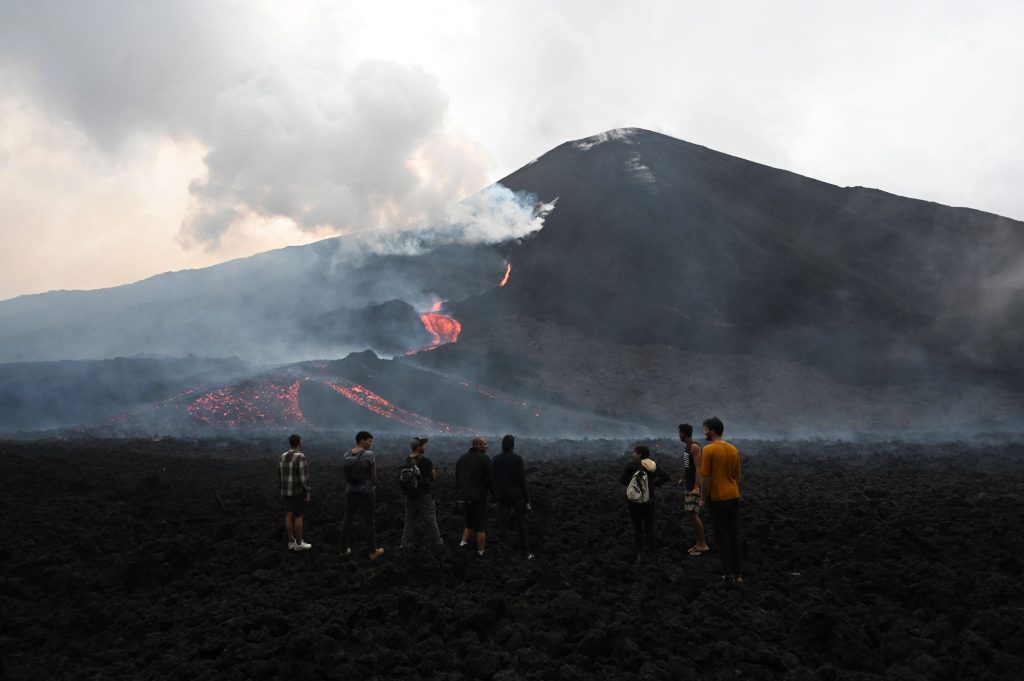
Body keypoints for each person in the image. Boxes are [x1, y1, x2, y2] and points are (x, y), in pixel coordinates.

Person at [699, 416, 743, 582]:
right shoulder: (733, 449)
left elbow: (705, 478)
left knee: (721, 536)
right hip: (733, 495)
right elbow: (737, 476)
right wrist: (734, 488)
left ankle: (728, 573)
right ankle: (738, 574)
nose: (704, 432)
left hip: (718, 498)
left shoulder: (709, 450)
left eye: (705, 429)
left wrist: (703, 498)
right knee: (734, 534)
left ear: (712, 430)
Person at [340, 431, 385, 561]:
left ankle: (343, 550)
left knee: (347, 519)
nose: (371, 444)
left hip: (350, 491)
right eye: (369, 441)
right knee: (369, 521)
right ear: (361, 440)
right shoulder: (369, 455)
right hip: (366, 492)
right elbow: (373, 475)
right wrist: (372, 485)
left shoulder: (347, 454)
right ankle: (372, 552)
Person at [619, 444, 670, 557]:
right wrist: (653, 485)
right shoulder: (652, 466)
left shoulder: (631, 466)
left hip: (634, 502)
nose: (633, 454)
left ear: (639, 454)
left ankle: (639, 552)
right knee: (649, 526)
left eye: (635, 452)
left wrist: (633, 486)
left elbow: (622, 480)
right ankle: (652, 552)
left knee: (637, 527)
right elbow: (666, 477)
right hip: (649, 500)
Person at [492, 434, 533, 559]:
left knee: (503, 523)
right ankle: (525, 552)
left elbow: (494, 479)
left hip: (502, 496)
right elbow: (522, 480)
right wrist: (527, 499)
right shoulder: (517, 459)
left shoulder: (496, 459)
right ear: (513, 445)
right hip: (517, 496)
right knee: (521, 523)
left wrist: (495, 496)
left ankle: (502, 551)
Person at [399, 437, 444, 549]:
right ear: (419, 447)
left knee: (409, 520)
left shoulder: (405, 460)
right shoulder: (425, 460)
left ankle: (405, 544)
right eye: (423, 445)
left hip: (409, 495)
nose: (425, 447)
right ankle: (437, 543)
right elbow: (433, 476)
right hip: (424, 494)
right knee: (430, 519)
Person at [455, 436, 494, 556]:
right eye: (484, 444)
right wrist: (494, 495)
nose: (487, 446)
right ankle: (481, 552)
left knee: (469, 522)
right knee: (480, 526)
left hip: (465, 496)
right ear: (477, 445)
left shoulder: (462, 458)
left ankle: (463, 543)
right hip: (478, 497)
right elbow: (490, 479)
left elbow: (457, 477)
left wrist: (460, 493)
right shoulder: (484, 459)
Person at [676, 423, 710, 557]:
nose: (678, 435)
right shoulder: (687, 447)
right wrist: (682, 478)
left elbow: (698, 468)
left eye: (679, 433)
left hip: (694, 486)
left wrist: (696, 487)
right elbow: (687, 465)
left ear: (683, 433)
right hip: (689, 484)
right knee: (691, 514)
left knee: (693, 513)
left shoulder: (695, 447)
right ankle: (698, 542)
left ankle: (703, 544)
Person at [279, 433, 312, 551]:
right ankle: (299, 543)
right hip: (297, 491)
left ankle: (291, 541)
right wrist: (307, 492)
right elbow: (304, 478)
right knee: (298, 516)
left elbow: (279, 474)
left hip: (285, 491)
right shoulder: (300, 457)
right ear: (299, 442)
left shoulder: (282, 456)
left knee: (288, 515)